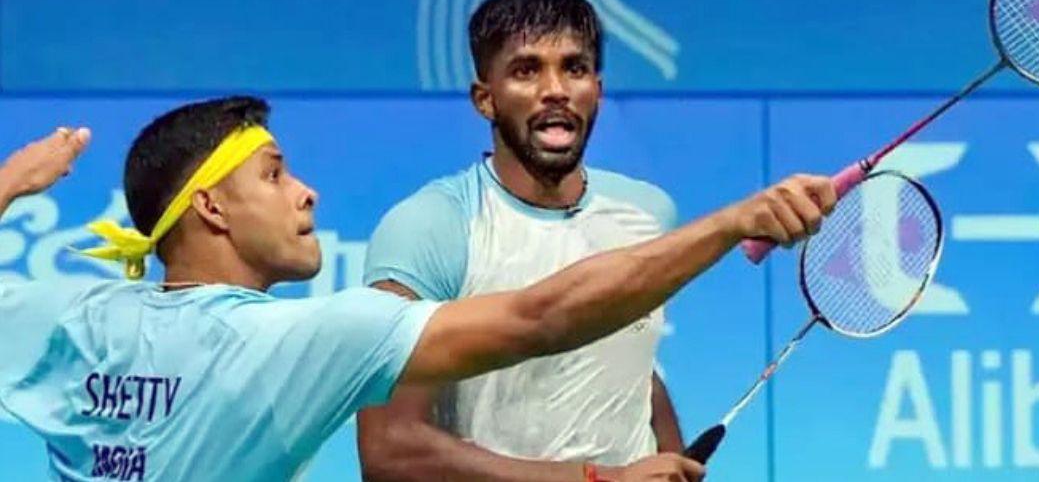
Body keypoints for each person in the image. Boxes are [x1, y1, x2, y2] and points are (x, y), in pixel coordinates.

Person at [0, 97, 835, 482]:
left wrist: (9, 184)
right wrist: (732, 223)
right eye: (276, 174)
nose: (306, 194)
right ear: (211, 208)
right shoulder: (292, 342)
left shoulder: (68, 315)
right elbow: (542, 317)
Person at [359, 0, 697, 481]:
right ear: (485, 98)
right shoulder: (430, 228)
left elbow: (631, 371)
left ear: (597, 90)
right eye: (526, 70)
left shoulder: (648, 214)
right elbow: (390, 448)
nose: (555, 89)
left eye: (574, 68)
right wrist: (598, 481)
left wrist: (674, 459)